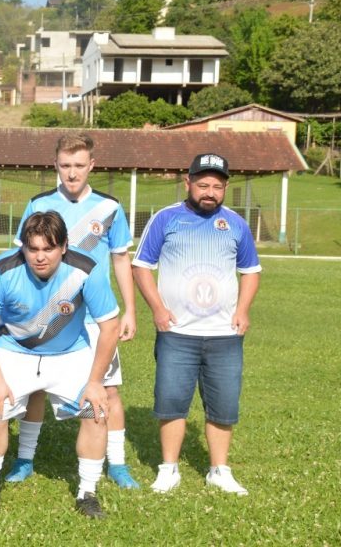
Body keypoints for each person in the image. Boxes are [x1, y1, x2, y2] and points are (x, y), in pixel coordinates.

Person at [7, 133, 139, 489]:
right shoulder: (38, 204)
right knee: (35, 389)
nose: (72, 173)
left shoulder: (109, 207)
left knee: (108, 389)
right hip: (46, 314)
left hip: (94, 317)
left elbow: (121, 259)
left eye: (79, 165)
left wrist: (129, 310)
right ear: (55, 165)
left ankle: (118, 464)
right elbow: (21, 258)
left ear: (91, 165)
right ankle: (25, 459)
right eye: (65, 165)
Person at [0, 211, 119, 519]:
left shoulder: (86, 269)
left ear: (64, 246)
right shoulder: (2, 270)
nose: (40, 257)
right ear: (23, 247)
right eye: (33, 249)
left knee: (95, 411)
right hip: (15, 350)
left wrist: (96, 382)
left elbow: (110, 327)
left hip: (70, 353)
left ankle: (87, 492)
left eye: (48, 249)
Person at [133, 153, 260, 496]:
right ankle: (168, 469)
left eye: (217, 186)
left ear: (226, 188)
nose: (210, 192)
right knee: (171, 400)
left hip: (224, 335)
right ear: (187, 182)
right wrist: (158, 309)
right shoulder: (166, 219)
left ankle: (219, 470)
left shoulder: (236, 224)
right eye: (203, 185)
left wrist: (243, 310)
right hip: (177, 333)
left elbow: (251, 271)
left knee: (224, 404)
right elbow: (141, 266)